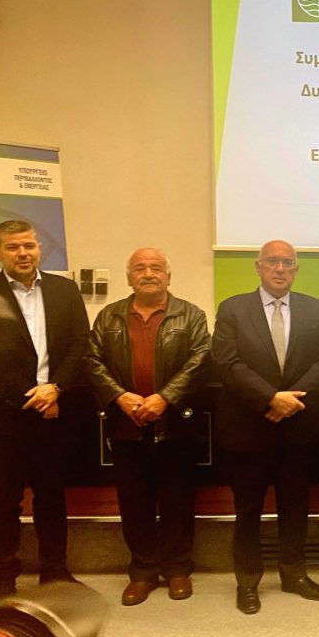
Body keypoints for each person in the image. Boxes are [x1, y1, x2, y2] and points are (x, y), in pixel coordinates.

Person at [0, 220, 89, 605]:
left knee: (51, 495)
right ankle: (3, 577)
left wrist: (56, 388)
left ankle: (55, 571)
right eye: (13, 247)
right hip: (2, 418)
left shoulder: (64, 291)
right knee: (3, 501)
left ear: (39, 248)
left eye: (29, 245)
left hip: (54, 412)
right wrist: (33, 396)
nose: (23, 253)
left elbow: (80, 344)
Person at [212, 240, 319, 614]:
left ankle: (293, 574)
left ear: (296, 269)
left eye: (287, 263)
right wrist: (270, 398)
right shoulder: (233, 308)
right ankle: (248, 581)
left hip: (298, 426)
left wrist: (289, 402)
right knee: (248, 509)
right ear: (258, 266)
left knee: (295, 506)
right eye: (272, 262)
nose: (280, 269)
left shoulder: (314, 309)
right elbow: (227, 362)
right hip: (248, 426)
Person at [84, 248, 211, 605]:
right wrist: (120, 396)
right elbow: (91, 360)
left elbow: (201, 359)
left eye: (156, 267)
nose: (149, 273)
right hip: (126, 424)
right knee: (133, 501)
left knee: (177, 500)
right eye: (140, 268)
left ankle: (177, 569)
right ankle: (142, 572)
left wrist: (164, 398)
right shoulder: (109, 316)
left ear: (168, 277)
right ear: (129, 278)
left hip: (174, 424)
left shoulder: (191, 315)